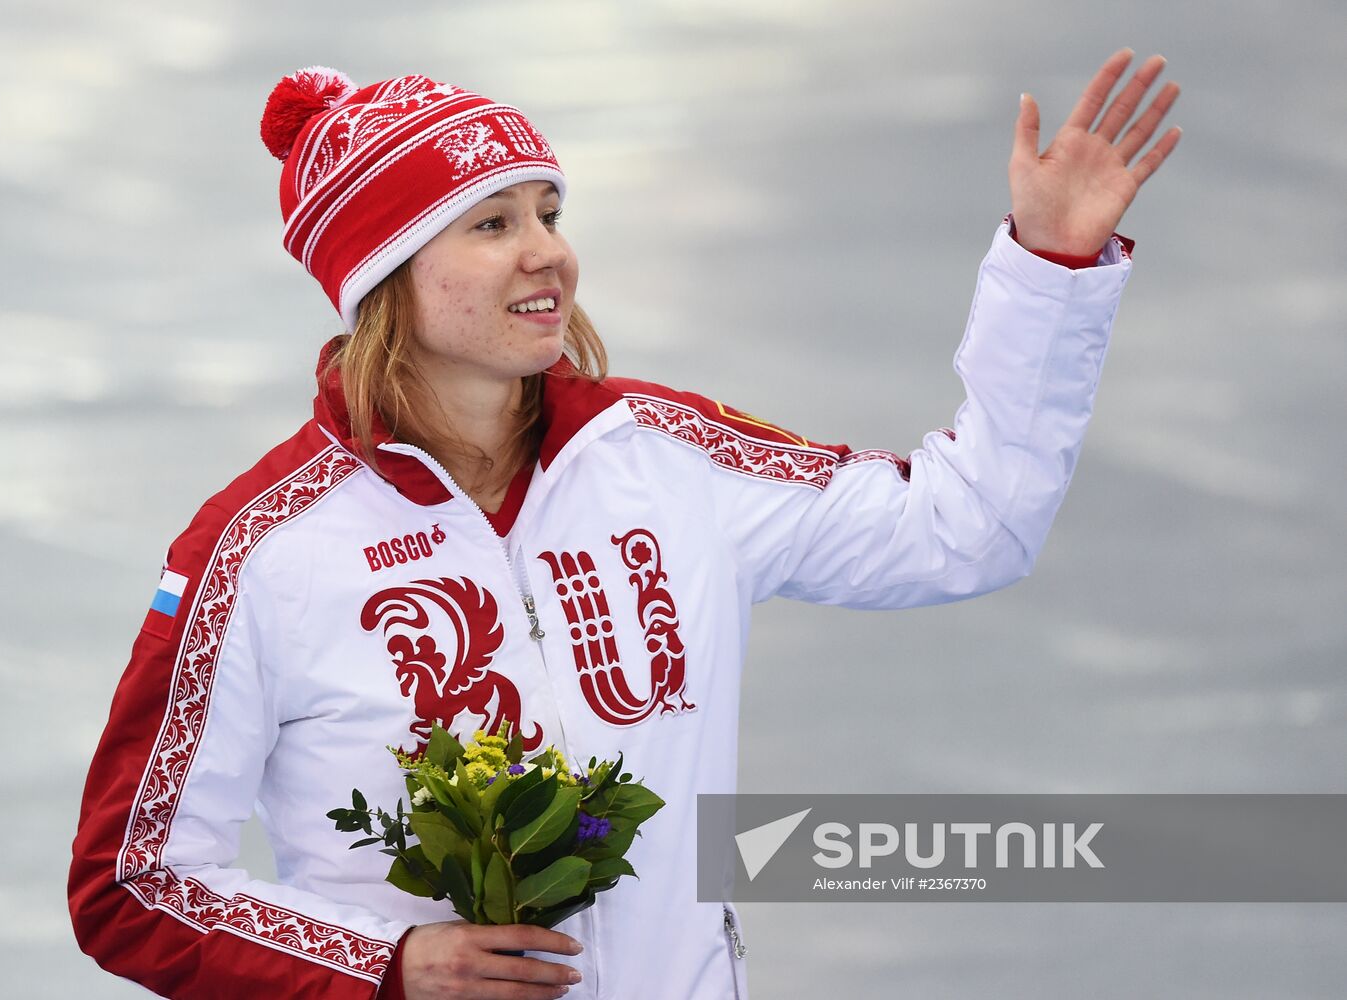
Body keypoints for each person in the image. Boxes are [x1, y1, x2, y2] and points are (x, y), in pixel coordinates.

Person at [69, 50, 1180, 1000]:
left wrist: (1049, 271)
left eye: (549, 213)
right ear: (384, 279)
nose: (548, 250)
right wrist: (388, 966)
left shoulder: (670, 458)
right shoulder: (255, 552)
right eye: (492, 224)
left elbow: (970, 524)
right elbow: (132, 877)